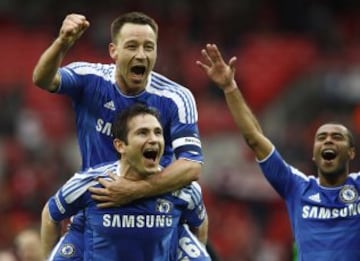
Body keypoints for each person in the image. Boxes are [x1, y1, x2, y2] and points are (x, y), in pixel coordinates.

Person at [32, 12, 212, 260]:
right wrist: (63, 42)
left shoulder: (176, 97)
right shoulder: (90, 79)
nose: (141, 55)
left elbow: (191, 167)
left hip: (160, 211)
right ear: (113, 51)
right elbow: (42, 79)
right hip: (97, 203)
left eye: (149, 47)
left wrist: (134, 189)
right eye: (132, 46)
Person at [197, 43, 360, 260]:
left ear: (350, 153)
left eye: (337, 137)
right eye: (321, 137)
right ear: (313, 154)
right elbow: (255, 138)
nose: (328, 141)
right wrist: (229, 88)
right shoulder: (297, 187)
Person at [41, 103, 210, 260]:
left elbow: (200, 223)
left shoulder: (183, 189)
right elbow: (50, 215)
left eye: (158, 132)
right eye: (143, 132)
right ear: (120, 145)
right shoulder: (93, 183)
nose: (154, 139)